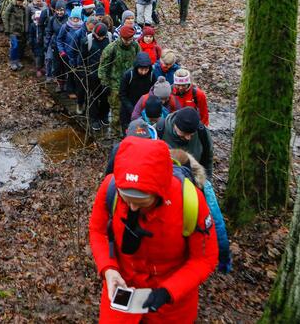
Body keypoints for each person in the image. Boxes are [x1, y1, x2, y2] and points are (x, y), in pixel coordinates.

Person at [89, 137, 218, 322]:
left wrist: (168, 291)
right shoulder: (110, 188)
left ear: (160, 191)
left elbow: (205, 258)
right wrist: (108, 269)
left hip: (172, 306)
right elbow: (97, 231)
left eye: (141, 202)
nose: (132, 207)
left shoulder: (189, 201)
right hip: (123, 293)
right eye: (126, 199)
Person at [98, 25, 141, 133]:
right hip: (115, 84)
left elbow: (139, 63)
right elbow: (103, 67)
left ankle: (128, 131)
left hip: (130, 84)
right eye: (125, 39)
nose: (127, 42)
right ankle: (116, 133)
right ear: (120, 37)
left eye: (130, 39)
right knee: (116, 110)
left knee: (130, 109)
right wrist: (105, 84)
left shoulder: (135, 46)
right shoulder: (111, 48)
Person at [158, 107, 214, 178]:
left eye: (192, 134)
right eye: (184, 133)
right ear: (175, 125)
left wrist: (207, 180)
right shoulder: (159, 131)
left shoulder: (202, 132)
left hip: (193, 178)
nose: (188, 138)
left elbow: (208, 158)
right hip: (166, 178)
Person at [118, 52, 155, 135]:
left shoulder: (152, 75)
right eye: (141, 69)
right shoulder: (128, 75)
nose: (144, 72)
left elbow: (154, 91)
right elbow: (122, 94)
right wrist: (131, 109)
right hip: (128, 109)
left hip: (144, 109)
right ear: (137, 67)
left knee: (142, 133)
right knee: (128, 132)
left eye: (146, 70)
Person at [2, 0, 28, 71]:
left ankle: (17, 61)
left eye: (21, 1)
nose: (19, 2)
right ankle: (12, 61)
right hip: (12, 30)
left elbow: (26, 19)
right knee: (15, 45)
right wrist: (7, 29)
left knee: (19, 47)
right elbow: (5, 17)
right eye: (18, 1)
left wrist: (25, 29)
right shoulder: (11, 6)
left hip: (20, 30)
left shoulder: (24, 8)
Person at [45, 0, 69, 88]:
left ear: (65, 10)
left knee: (65, 65)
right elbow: (49, 32)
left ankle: (66, 83)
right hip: (55, 45)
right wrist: (47, 45)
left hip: (65, 46)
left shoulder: (68, 20)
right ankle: (59, 84)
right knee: (57, 65)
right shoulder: (52, 19)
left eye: (61, 10)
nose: (59, 12)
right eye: (58, 10)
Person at [27, 0, 48, 76]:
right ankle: (38, 68)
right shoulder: (32, 25)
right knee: (37, 55)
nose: (39, 2)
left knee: (44, 54)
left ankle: (44, 67)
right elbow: (30, 34)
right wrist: (31, 41)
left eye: (40, 0)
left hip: (43, 37)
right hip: (36, 40)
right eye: (37, 0)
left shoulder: (45, 7)